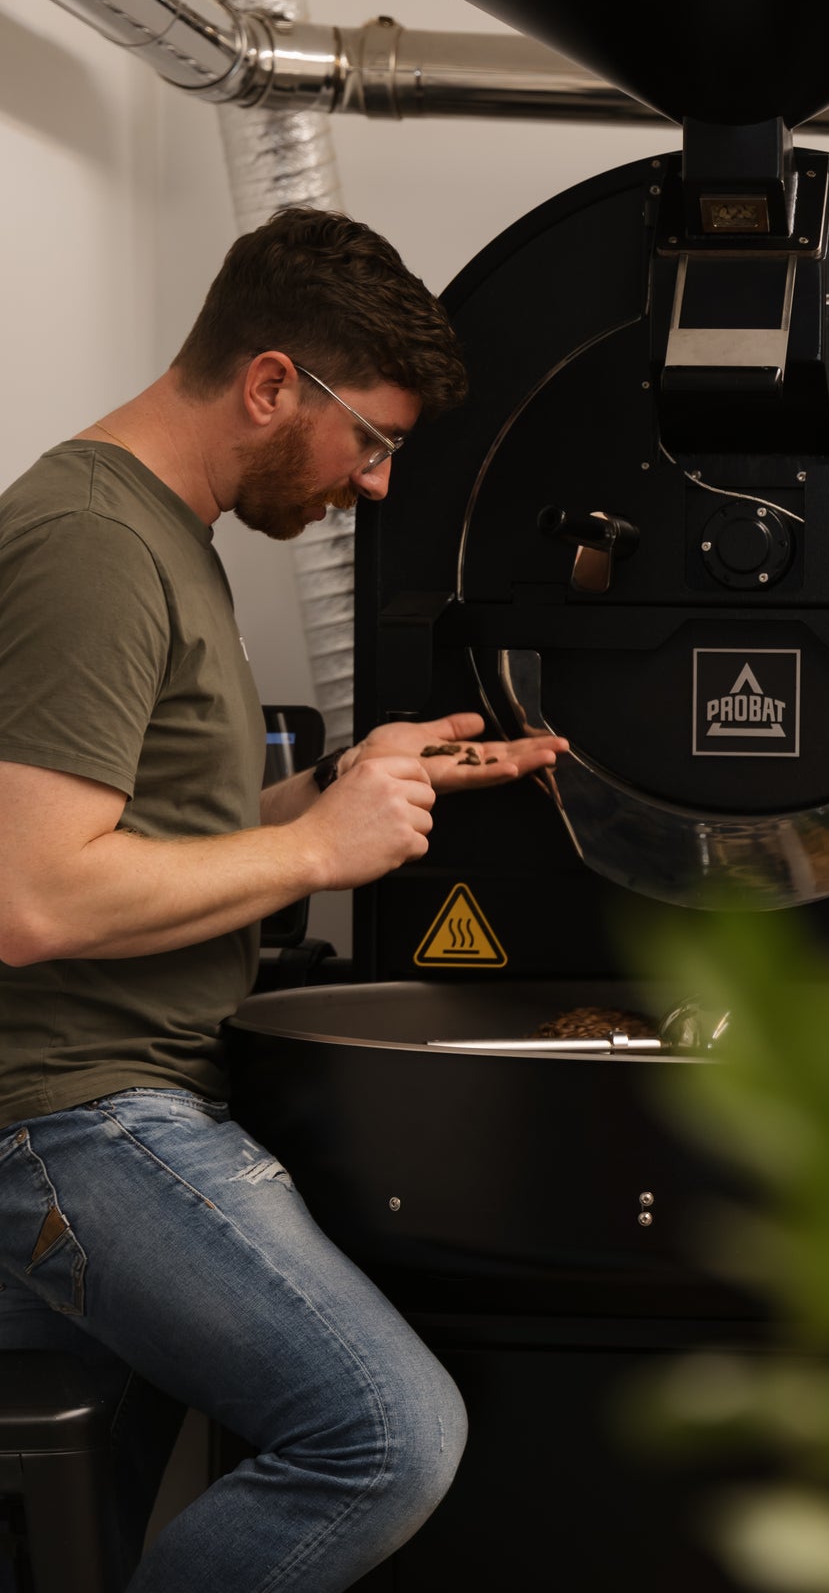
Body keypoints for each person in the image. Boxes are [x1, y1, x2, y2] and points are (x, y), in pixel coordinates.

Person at [0, 207, 567, 1592]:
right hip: (76, 1117)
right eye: (368, 438)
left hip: (120, 1097)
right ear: (269, 385)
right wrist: (319, 854)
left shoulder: (161, 535)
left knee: (81, 1535)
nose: (374, 482)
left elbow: (142, 833)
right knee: (385, 1434)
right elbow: (29, 892)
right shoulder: (90, 543)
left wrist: (333, 790)